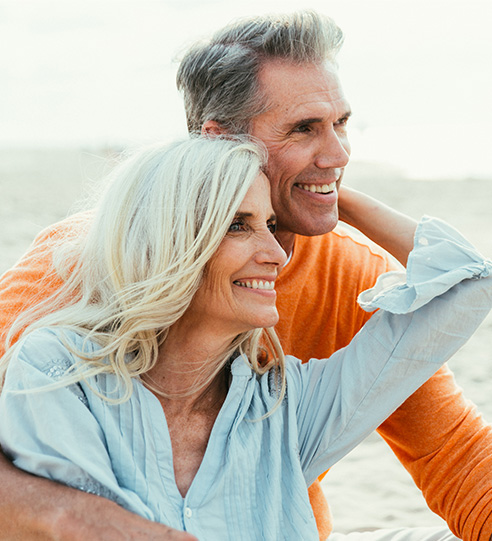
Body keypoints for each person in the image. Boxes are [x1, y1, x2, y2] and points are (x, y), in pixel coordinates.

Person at [1, 10, 492, 541]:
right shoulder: (71, 274)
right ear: (219, 142)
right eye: (304, 128)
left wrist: (320, 194)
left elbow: (453, 453)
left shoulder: (337, 299)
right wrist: (79, 520)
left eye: (341, 124)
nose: (339, 153)